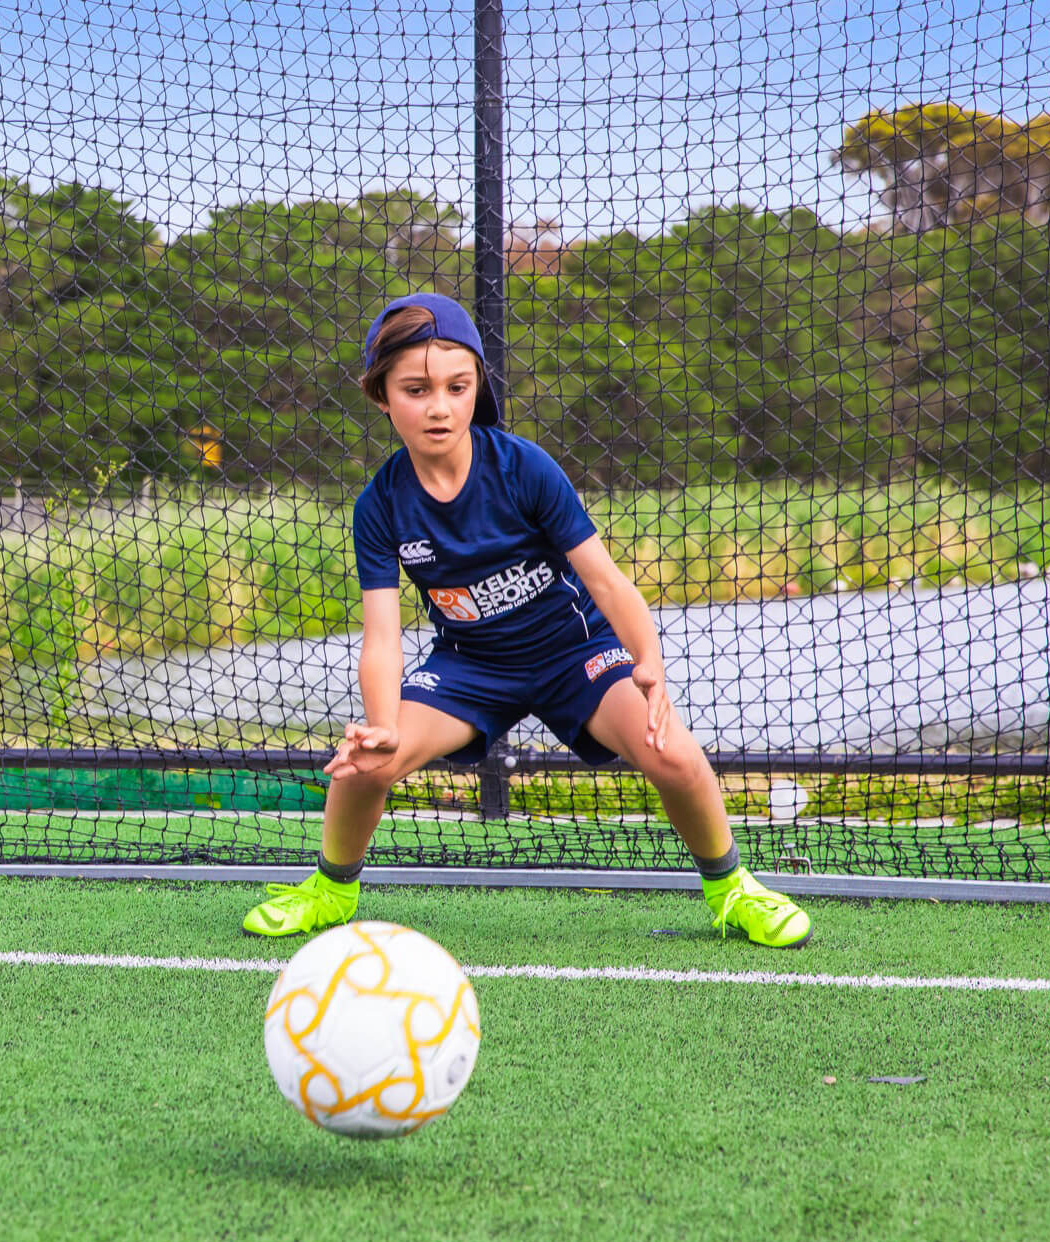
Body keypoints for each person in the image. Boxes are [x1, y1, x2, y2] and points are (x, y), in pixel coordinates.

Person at [242, 292, 811, 948]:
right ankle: (331, 890)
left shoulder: (524, 468)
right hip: (471, 669)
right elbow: (382, 637)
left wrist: (648, 661)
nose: (439, 406)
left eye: (457, 387)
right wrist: (383, 726)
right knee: (366, 765)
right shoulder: (380, 506)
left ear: (477, 387)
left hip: (576, 654)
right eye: (416, 389)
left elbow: (607, 581)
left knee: (670, 753)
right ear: (381, 396)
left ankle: (732, 890)